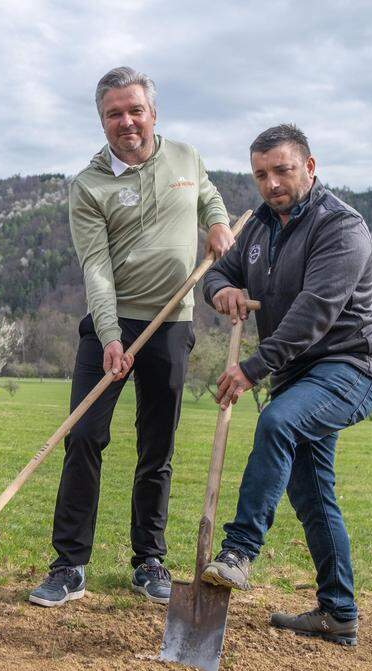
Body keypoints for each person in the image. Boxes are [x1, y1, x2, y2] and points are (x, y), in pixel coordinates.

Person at [28, 66, 234, 608]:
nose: (126, 121)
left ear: (153, 113)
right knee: (83, 436)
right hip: (109, 326)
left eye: (134, 110)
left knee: (157, 445)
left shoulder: (186, 158)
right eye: (114, 113)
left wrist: (216, 221)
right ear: (102, 121)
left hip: (172, 324)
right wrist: (110, 334)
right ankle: (69, 566)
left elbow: (209, 198)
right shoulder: (88, 185)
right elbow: (95, 268)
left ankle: (149, 561)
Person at [198, 124, 372, 647]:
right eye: (261, 174)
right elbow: (216, 272)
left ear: (310, 166)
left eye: (282, 170)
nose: (271, 183)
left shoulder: (342, 227)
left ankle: (238, 552)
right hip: (298, 374)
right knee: (311, 494)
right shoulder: (258, 229)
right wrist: (225, 291)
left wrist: (251, 369)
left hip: (352, 366)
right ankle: (338, 613)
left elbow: (313, 316)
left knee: (277, 421)